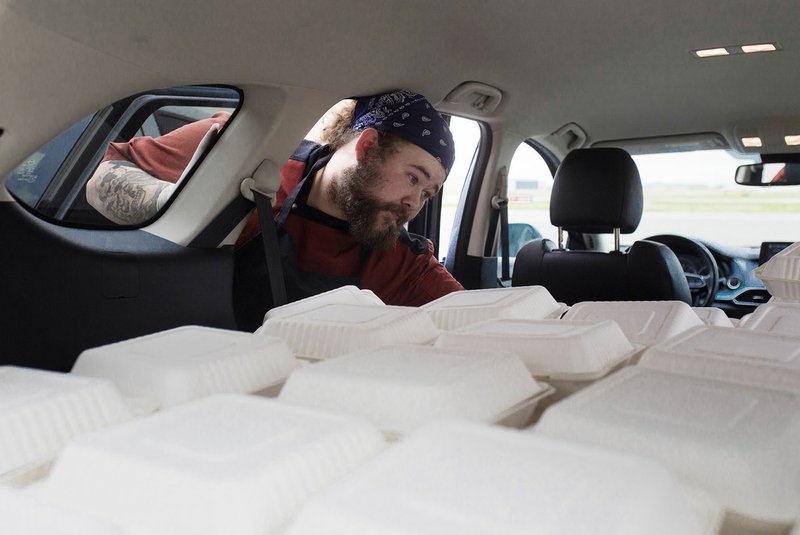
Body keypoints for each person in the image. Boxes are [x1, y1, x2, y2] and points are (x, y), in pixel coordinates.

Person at [86, 90, 465, 308]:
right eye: (413, 178)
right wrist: (180, 206)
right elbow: (102, 178)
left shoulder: (402, 261)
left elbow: (476, 321)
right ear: (367, 147)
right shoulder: (253, 157)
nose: (415, 204)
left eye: (428, 194)